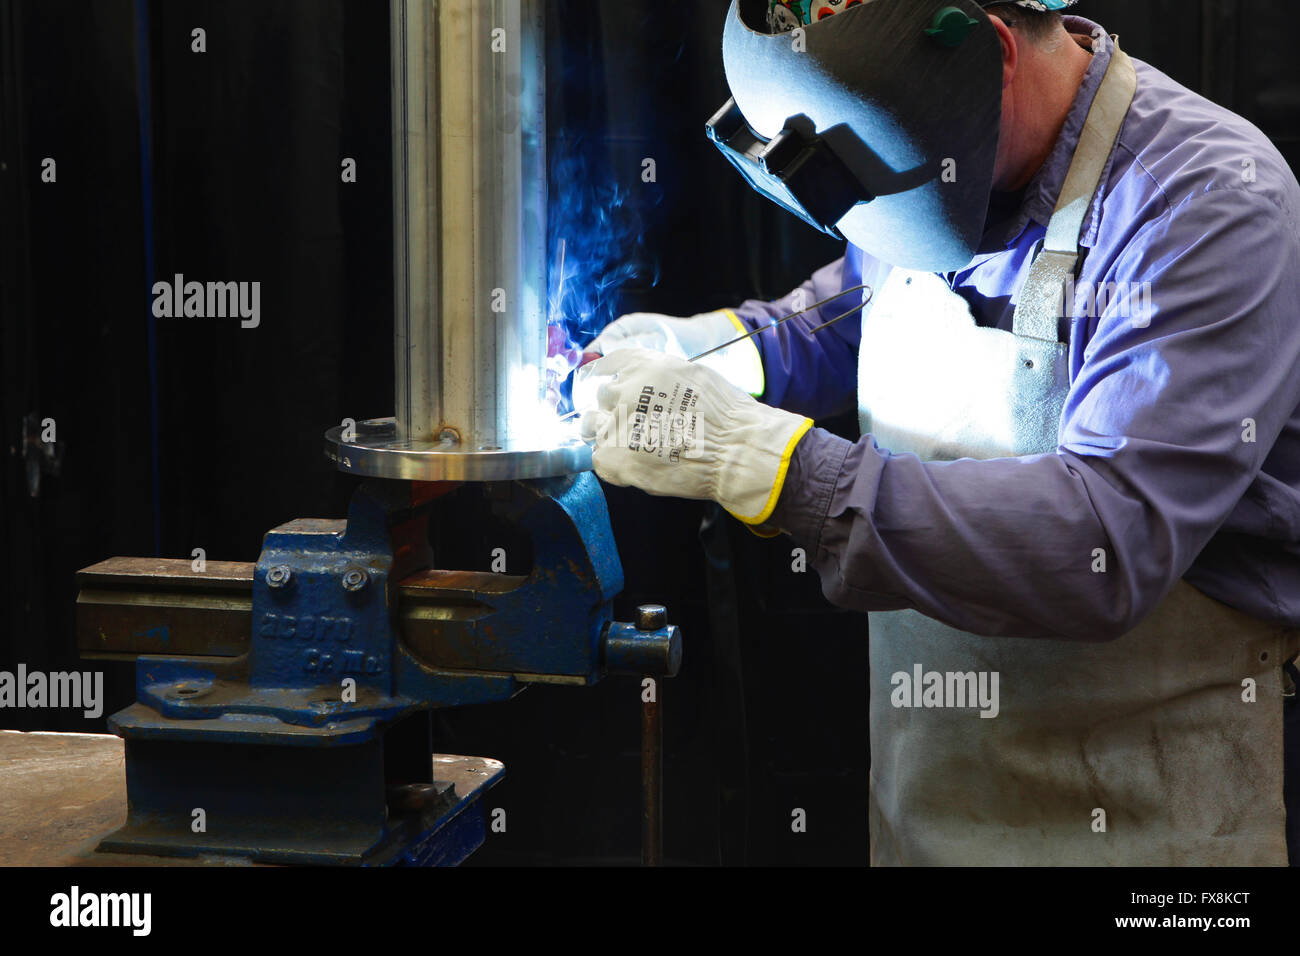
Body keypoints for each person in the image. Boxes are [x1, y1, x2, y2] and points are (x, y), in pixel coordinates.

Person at [577, 0, 1300, 865]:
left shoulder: (1206, 199)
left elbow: (1110, 539)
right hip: (936, 808)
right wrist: (721, 350)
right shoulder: (935, 141)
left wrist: (773, 465)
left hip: (1151, 825)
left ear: (989, 53)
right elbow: (853, 308)